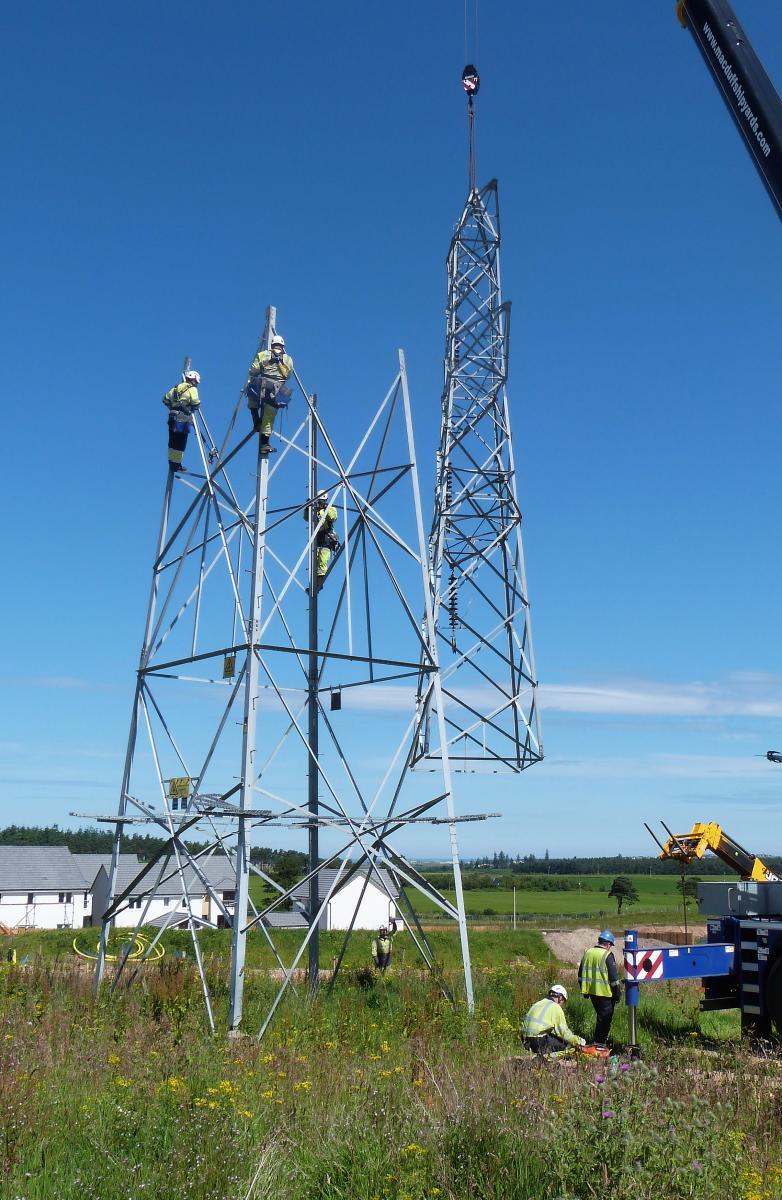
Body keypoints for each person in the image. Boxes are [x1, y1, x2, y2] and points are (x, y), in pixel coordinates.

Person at [246, 333, 294, 455]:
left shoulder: (263, 354)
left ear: (272, 344)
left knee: (251, 397)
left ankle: (256, 420)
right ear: (282, 346)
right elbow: (288, 376)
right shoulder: (288, 359)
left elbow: (253, 370)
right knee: (269, 417)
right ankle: (264, 444)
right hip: (276, 391)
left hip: (261, 387)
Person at [578, 929, 622, 1050]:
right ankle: (599, 1045)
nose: (610, 948)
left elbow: (580, 975)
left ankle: (599, 1043)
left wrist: (584, 990)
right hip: (605, 994)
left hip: (591, 992)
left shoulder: (588, 953)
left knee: (601, 1018)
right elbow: (614, 980)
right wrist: (617, 994)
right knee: (605, 1020)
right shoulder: (607, 955)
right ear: (608, 944)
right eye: (610, 946)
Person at [520, 984, 586, 1057]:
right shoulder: (556, 1007)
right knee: (571, 1048)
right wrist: (579, 1041)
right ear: (560, 997)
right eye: (563, 1001)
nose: (562, 1005)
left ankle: (542, 1056)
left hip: (525, 1041)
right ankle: (545, 1058)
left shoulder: (537, 1004)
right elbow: (564, 1034)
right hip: (538, 1042)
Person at [163, 370, 201, 471]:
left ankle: (172, 464)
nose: (197, 384)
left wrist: (173, 407)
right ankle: (176, 465)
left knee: (172, 442)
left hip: (172, 417)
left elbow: (165, 399)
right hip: (182, 419)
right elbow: (196, 403)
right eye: (196, 382)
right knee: (180, 443)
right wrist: (189, 408)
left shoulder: (175, 388)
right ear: (193, 379)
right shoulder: (192, 389)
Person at [304, 491, 339, 590]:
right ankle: (314, 584)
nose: (320, 502)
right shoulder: (315, 510)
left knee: (322, 561)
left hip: (326, 538)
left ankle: (319, 585)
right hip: (317, 537)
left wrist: (325, 507)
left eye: (321, 501)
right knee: (315, 562)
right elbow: (306, 518)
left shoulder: (330, 508)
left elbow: (333, 517)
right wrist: (308, 507)